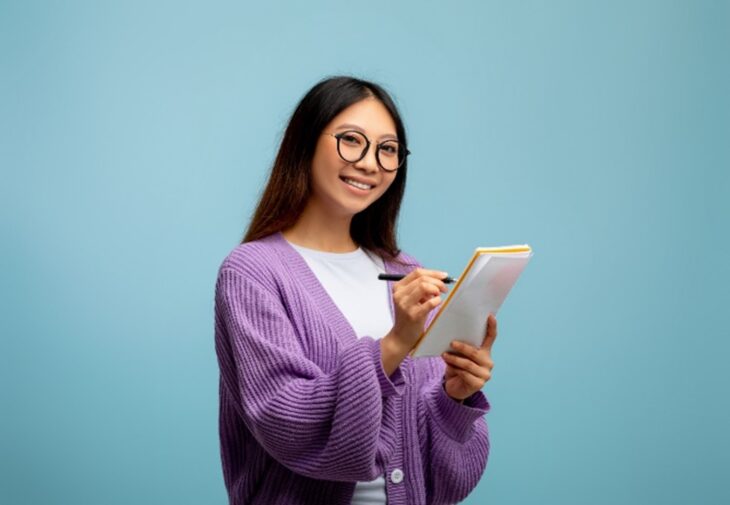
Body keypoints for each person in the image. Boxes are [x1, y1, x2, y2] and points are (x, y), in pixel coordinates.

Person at [213, 76, 497, 504]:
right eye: (351, 140)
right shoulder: (252, 272)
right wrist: (396, 343)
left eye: (387, 150)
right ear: (305, 142)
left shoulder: (407, 273)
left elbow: (446, 481)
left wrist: (455, 398)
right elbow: (284, 420)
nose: (369, 163)